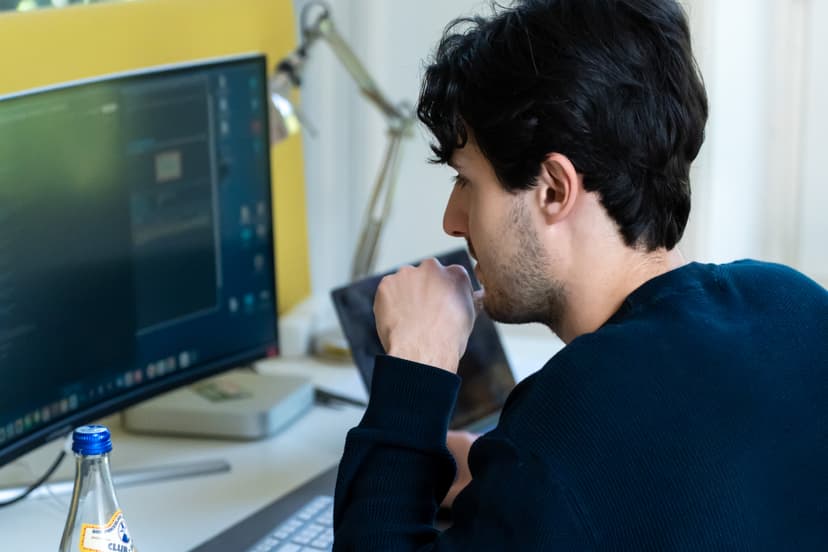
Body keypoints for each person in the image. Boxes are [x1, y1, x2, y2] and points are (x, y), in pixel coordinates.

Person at [332, 0, 828, 549]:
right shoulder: (795, 303)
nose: (452, 220)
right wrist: (508, 479)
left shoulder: (564, 426)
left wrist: (415, 367)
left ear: (553, 189)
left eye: (467, 181)